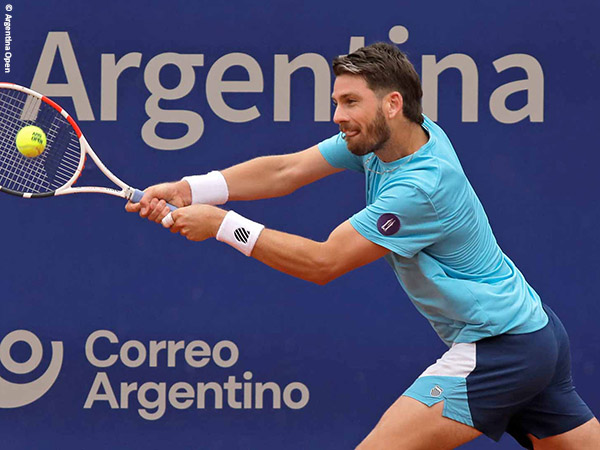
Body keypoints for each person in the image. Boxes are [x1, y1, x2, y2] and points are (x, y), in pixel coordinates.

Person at [126, 42, 600, 449]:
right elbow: (286, 170)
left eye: (350, 102)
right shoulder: (396, 138)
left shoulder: (421, 188)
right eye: (336, 102)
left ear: (392, 103)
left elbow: (323, 261)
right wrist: (191, 188)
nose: (338, 117)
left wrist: (223, 225)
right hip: (535, 330)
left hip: (500, 345)